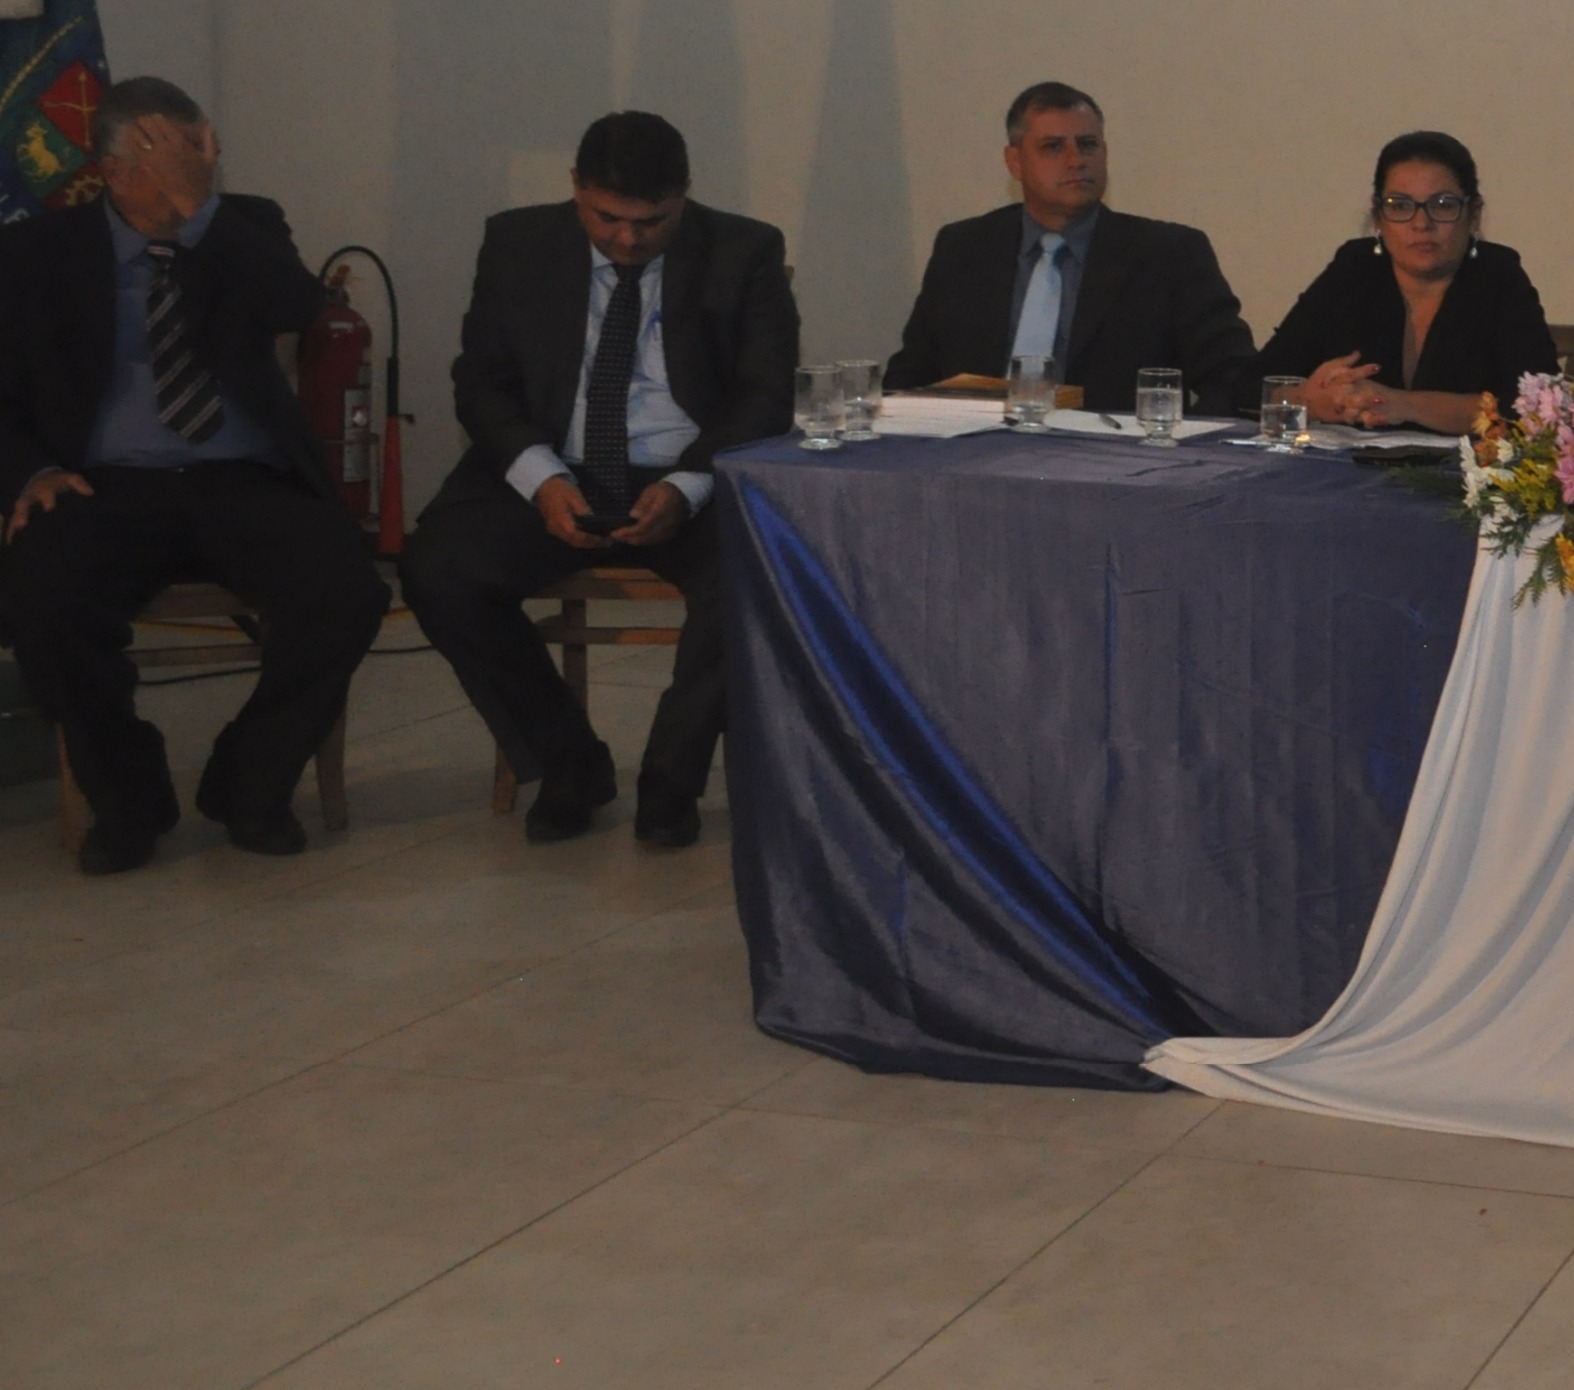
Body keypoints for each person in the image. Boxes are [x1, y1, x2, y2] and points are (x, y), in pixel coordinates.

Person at [0, 78, 388, 872]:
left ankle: (249, 784)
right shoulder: (37, 251)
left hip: (240, 475)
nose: (196, 171)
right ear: (112, 171)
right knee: (43, 602)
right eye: (172, 159)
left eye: (202, 154)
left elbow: (298, 306)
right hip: (100, 482)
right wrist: (29, 470)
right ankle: (129, 800)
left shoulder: (244, 225)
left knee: (348, 590)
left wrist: (196, 208)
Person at [401, 112, 798, 848]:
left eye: (652, 221)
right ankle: (569, 764)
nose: (628, 239)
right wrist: (542, 479)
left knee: (753, 572)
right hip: (557, 462)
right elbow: (482, 382)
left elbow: (764, 394)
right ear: (575, 188)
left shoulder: (744, 251)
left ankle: (671, 783)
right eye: (607, 218)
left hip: (689, 467)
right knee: (439, 569)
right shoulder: (518, 243)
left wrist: (687, 485)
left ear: (684, 195)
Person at [885, 83, 1256, 414]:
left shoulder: (1169, 254)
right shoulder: (964, 248)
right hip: (973, 451)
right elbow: (912, 374)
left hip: (1111, 458)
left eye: (1088, 145)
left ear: (1105, 153)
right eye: (1053, 147)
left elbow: (1231, 378)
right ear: (1014, 162)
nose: (1076, 160)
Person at [1258, 131, 1561, 433]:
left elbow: (1538, 408)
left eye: (1443, 205)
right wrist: (1309, 401)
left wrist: (1402, 405)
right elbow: (1253, 384)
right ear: (1378, 216)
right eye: (1400, 205)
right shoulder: (1353, 268)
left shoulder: (1499, 276)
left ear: (1474, 215)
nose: (1421, 224)